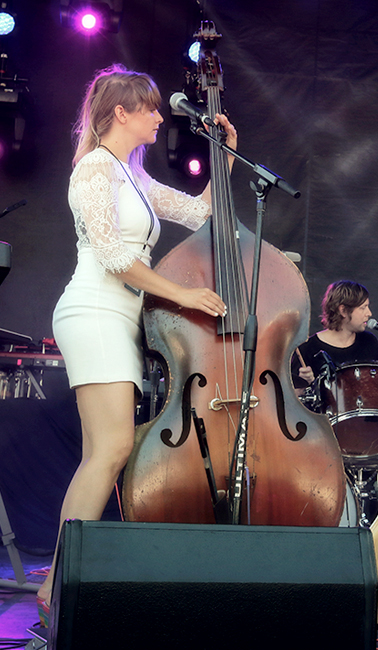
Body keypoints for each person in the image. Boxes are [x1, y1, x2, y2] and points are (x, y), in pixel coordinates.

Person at [39, 64, 236, 626]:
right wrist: (185, 295)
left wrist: (223, 158)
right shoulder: (93, 173)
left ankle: (58, 582)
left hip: (120, 318)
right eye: (148, 107)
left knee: (106, 453)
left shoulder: (133, 176)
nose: (158, 116)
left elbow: (200, 212)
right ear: (119, 112)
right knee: (109, 452)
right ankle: (56, 584)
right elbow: (115, 259)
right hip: (95, 311)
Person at [291, 279, 378, 398]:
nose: (369, 313)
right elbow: (290, 400)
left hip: (365, 425)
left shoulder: (368, 342)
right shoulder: (307, 347)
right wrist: (304, 386)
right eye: (363, 308)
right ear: (343, 311)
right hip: (322, 426)